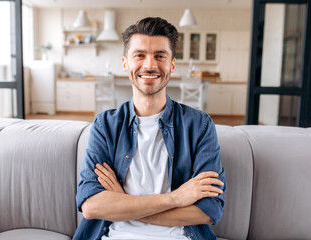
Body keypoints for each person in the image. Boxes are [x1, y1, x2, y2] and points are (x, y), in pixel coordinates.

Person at [73, 17, 226, 240]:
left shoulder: (199, 125)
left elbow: (209, 209)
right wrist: (176, 198)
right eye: (140, 55)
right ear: (126, 63)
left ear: (172, 64)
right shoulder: (105, 126)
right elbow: (92, 206)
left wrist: (123, 201)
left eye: (160, 56)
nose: (150, 65)